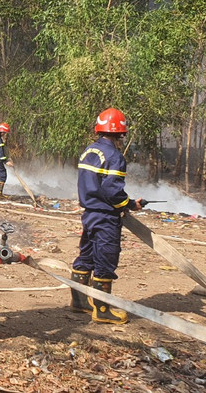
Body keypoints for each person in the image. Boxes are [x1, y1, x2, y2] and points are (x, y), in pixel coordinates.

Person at [69, 108, 143, 324]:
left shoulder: (89, 150)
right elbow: (112, 190)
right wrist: (128, 204)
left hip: (90, 214)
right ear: (121, 133)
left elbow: (93, 185)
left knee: (86, 255)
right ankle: (102, 310)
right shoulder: (114, 156)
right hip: (105, 217)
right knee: (105, 259)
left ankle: (79, 302)